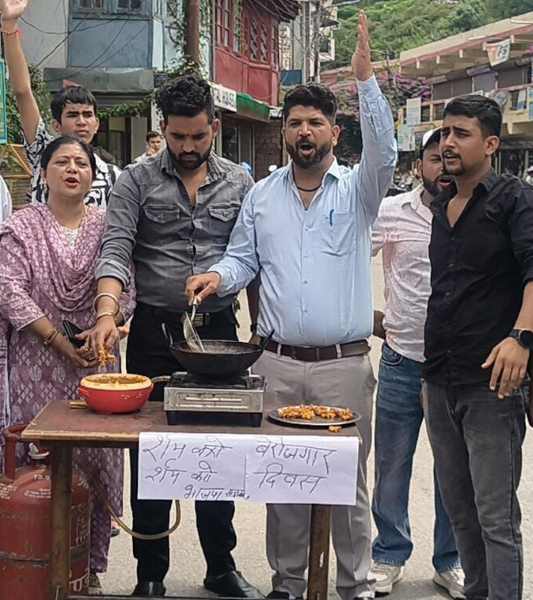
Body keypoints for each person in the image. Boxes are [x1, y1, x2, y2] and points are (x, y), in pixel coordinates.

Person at [186, 13, 397, 600]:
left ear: (333, 131)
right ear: (284, 132)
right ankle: (288, 583)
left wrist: (366, 81)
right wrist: (215, 278)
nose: (304, 132)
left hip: (342, 365)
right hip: (275, 363)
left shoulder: (359, 190)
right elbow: (241, 261)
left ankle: (353, 586)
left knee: (347, 484)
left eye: (315, 123)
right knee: (283, 478)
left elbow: (385, 150)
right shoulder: (261, 196)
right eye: (295, 123)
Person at [87, 74, 260, 599]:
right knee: (153, 453)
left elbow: (252, 257)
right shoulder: (134, 181)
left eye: (199, 137)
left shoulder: (240, 182)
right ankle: (150, 574)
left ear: (215, 127)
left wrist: (263, 327)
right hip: (154, 335)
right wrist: (105, 311)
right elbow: (116, 248)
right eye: (179, 137)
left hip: (220, 334)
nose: (188, 147)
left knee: (217, 450)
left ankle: (221, 566)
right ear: (164, 128)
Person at [0, 136, 135, 595]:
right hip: (38, 364)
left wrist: (110, 323)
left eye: (81, 163)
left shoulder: (108, 227)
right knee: (41, 462)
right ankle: (36, 562)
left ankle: (89, 566)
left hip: (97, 364)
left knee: (97, 464)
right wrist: (58, 341)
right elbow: (10, 290)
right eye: (61, 162)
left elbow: (125, 288)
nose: (72, 169)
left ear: (93, 177)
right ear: (43, 174)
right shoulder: (21, 226)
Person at [423, 94, 533, 600]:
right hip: (439, 375)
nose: (448, 142)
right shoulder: (442, 203)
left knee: (495, 516)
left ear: (490, 143)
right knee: (459, 508)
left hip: (493, 382)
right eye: (445, 133)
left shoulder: (515, 199)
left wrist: (521, 338)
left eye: (460, 133)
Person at [370, 129, 464, 598]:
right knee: (391, 463)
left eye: (450, 158)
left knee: (453, 467)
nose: (442, 167)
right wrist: (361, 315)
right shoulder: (391, 212)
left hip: (456, 367)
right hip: (401, 358)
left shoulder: (477, 213)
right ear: (419, 164)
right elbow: (346, 258)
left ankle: (450, 560)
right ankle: (388, 553)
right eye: (434, 158)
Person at [0, 0, 121, 207]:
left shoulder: (113, 175)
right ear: (57, 125)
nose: (82, 122)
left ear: (97, 124)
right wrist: (10, 27)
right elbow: (22, 92)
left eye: (87, 115)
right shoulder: (44, 153)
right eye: (73, 115)